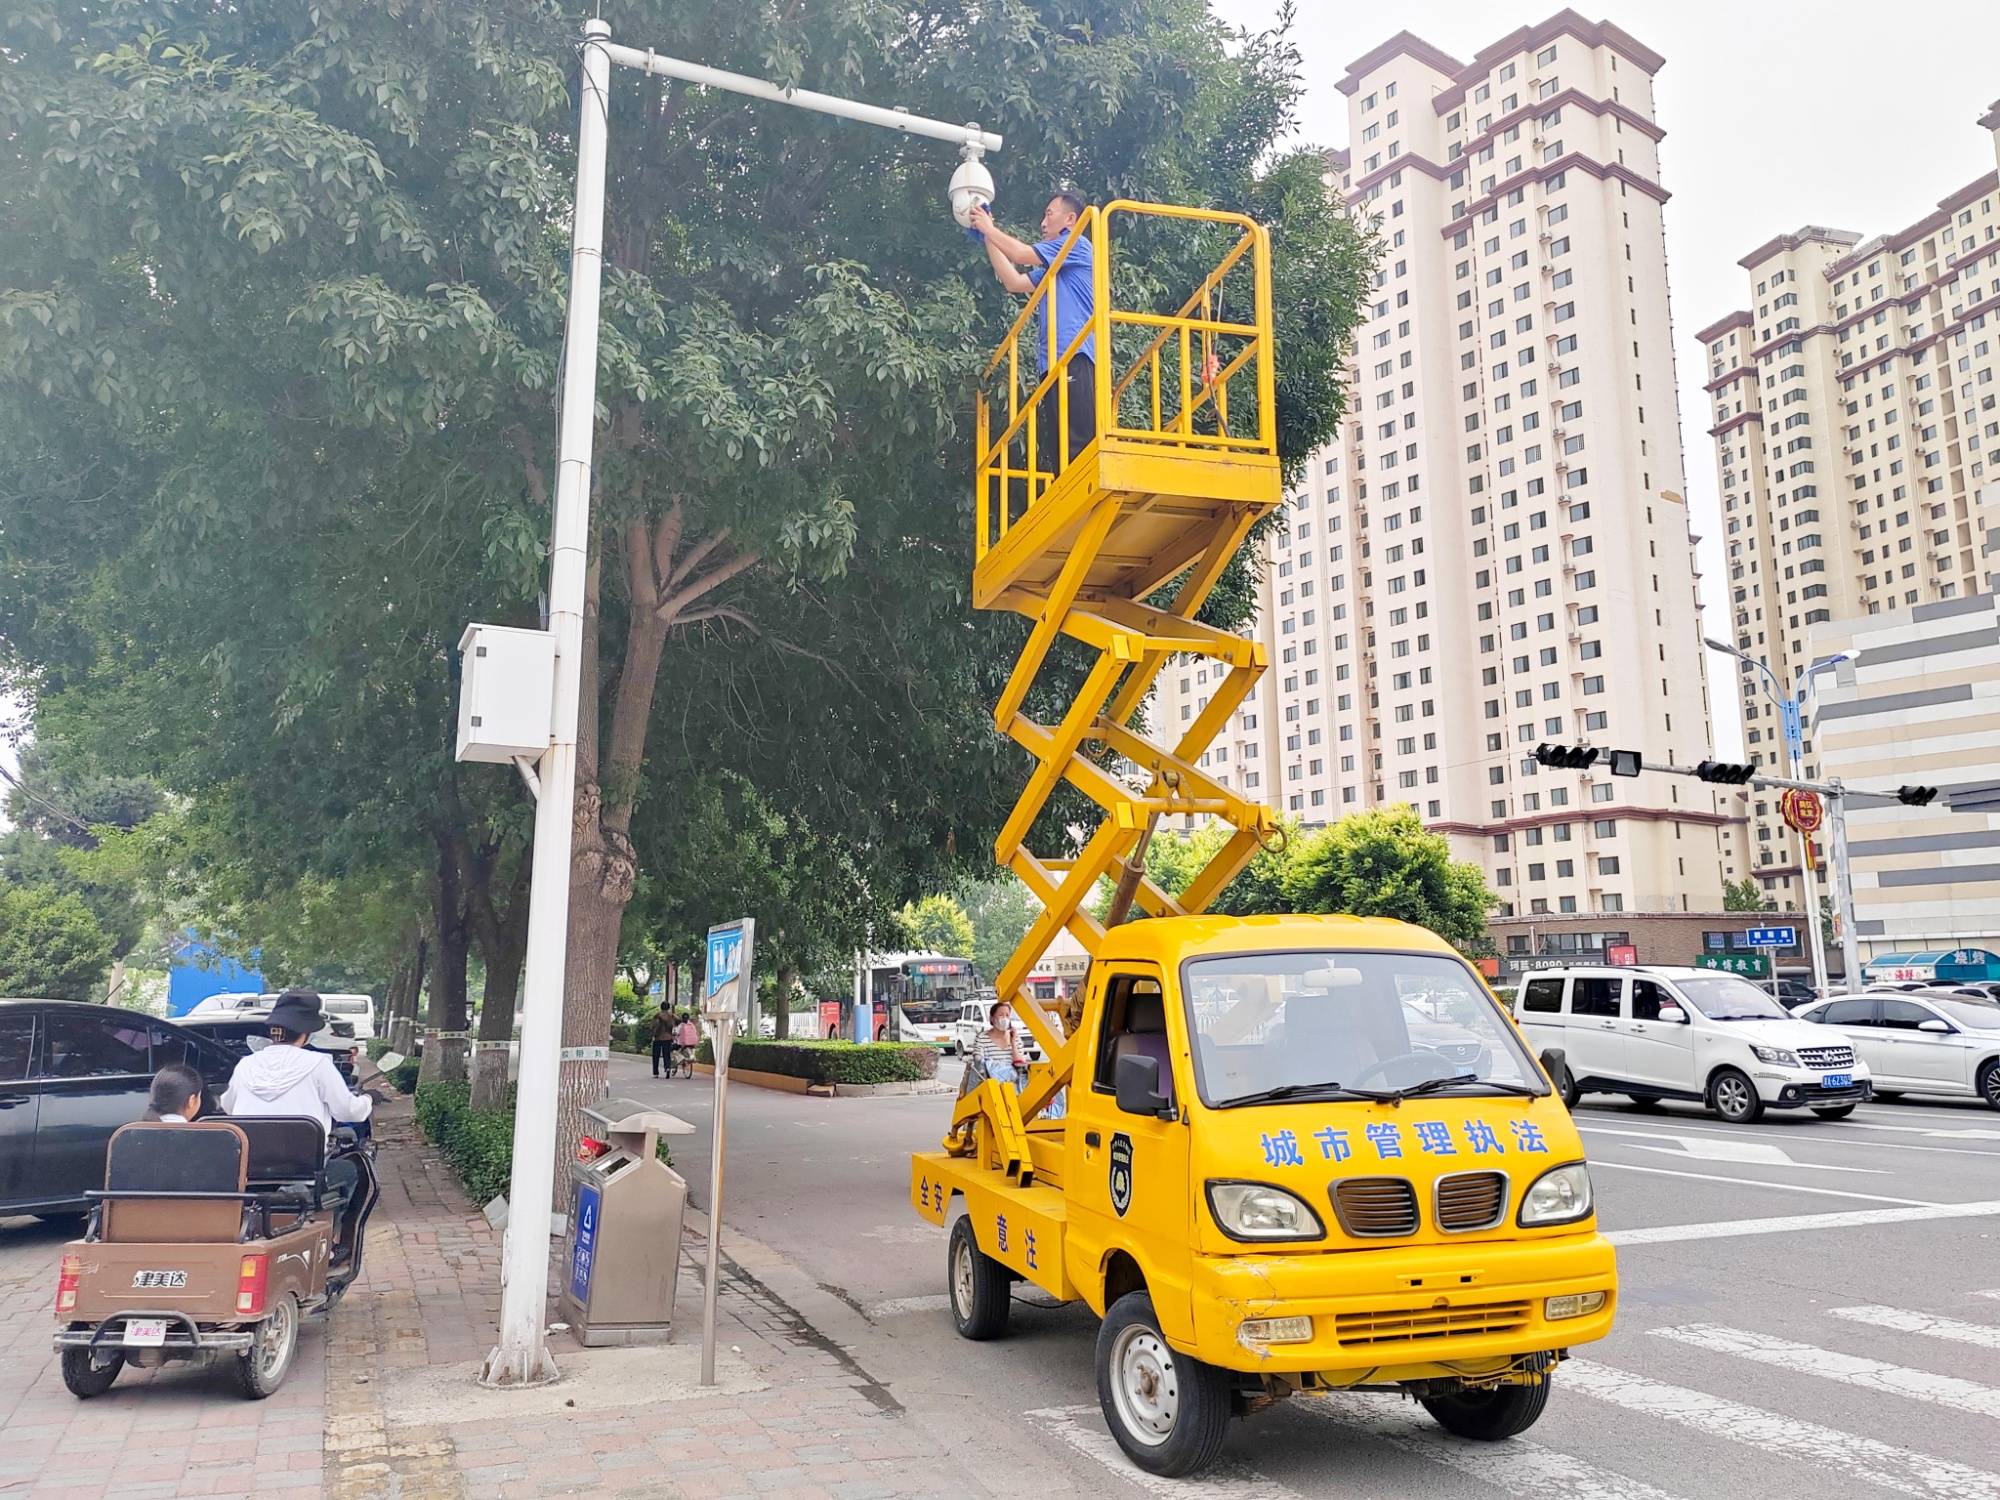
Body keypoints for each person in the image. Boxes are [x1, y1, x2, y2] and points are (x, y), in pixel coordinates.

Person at [969, 190, 1097, 476]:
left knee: (1078, 446)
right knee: (1059, 452)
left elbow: (1021, 254)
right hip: (1051, 363)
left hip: (1074, 354)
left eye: (1049, 214)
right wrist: (988, 236)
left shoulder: (1077, 245)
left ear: (1070, 219)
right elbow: (1013, 281)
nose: (1042, 222)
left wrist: (990, 227)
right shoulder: (1056, 266)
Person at [973, 999, 1028, 1089]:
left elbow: (1020, 1063)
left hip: (1013, 1086)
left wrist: (1013, 1042)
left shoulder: (1015, 1038)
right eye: (1001, 1015)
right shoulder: (982, 1038)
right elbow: (979, 1062)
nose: (1004, 1019)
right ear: (992, 1018)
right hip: (991, 1087)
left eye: (1007, 1015)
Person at [651, 999, 677, 1078]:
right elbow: (678, 1021)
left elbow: (653, 1025)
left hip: (658, 1038)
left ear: (661, 1007)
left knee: (656, 1055)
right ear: (668, 1007)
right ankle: (668, 1068)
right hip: (668, 1038)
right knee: (667, 1055)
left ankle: (656, 1073)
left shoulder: (657, 1015)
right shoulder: (671, 1015)